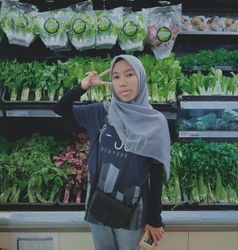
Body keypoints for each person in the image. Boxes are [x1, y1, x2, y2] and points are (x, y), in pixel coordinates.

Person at [52, 54, 171, 250]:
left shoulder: (155, 122)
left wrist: (155, 219)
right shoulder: (102, 112)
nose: (123, 83)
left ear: (140, 78)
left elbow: (156, 174)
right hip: (99, 200)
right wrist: (83, 87)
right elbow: (59, 109)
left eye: (129, 75)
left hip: (132, 206)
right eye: (116, 77)